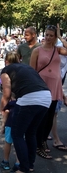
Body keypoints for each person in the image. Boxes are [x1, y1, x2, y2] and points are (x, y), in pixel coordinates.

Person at [0, 51, 51, 173]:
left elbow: (6, 94)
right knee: (30, 133)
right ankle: (30, 165)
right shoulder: (26, 67)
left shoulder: (6, 70)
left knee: (17, 134)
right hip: (46, 97)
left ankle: (23, 168)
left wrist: (2, 109)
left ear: (6, 62)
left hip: (29, 99)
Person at [30, 25, 67, 159]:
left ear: (55, 37)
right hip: (41, 87)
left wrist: (62, 38)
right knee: (41, 117)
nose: (48, 37)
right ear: (44, 35)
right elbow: (32, 71)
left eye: (52, 35)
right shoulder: (37, 51)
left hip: (55, 86)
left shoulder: (58, 50)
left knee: (50, 117)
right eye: (47, 35)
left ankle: (43, 141)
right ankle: (38, 145)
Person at [0, 92, 20, 171]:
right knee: (19, 143)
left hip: (10, 125)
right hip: (20, 126)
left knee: (8, 142)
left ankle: (6, 161)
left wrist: (2, 126)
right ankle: (18, 163)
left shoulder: (10, 104)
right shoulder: (23, 105)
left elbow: (6, 115)